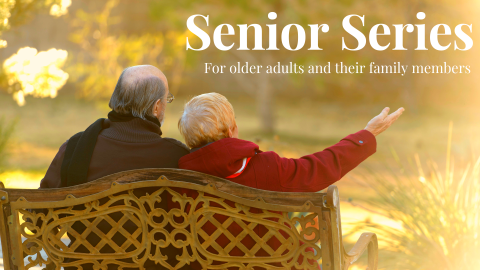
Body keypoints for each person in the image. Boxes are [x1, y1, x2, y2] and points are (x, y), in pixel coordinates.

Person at [177, 92, 404, 268]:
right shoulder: (267, 168)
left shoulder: (178, 180)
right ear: (232, 130)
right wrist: (367, 134)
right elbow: (319, 168)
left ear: (188, 139)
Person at [39, 65, 191, 270]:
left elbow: (38, 217)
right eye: (166, 100)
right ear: (156, 107)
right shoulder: (178, 157)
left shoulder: (75, 149)